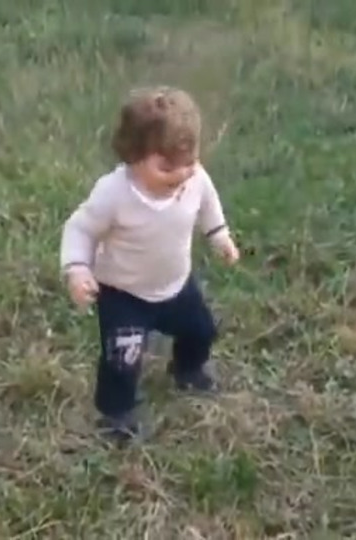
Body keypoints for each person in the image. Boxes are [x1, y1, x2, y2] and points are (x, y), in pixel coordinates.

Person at [59, 86, 240, 442]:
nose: (181, 175)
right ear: (133, 155)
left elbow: (208, 202)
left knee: (202, 330)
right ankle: (116, 413)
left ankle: (188, 369)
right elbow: (80, 228)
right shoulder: (114, 193)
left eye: (189, 163)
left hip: (176, 285)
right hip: (123, 294)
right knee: (122, 359)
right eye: (166, 167)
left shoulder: (195, 178)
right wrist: (77, 269)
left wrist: (219, 235)